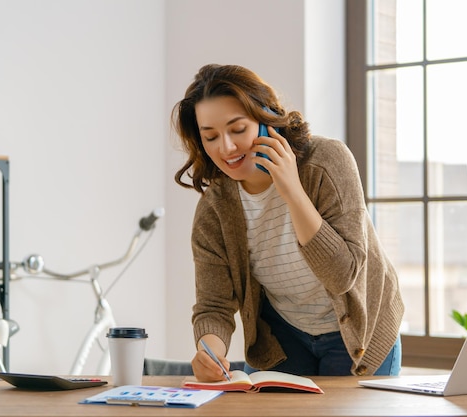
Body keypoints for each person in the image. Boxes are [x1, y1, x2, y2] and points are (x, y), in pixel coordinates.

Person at [172, 63, 404, 382]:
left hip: (359, 333)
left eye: (237, 130)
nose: (225, 148)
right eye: (210, 137)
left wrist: (292, 191)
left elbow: (344, 275)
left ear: (267, 120)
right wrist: (209, 353)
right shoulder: (215, 210)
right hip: (283, 337)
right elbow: (214, 305)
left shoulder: (327, 162)